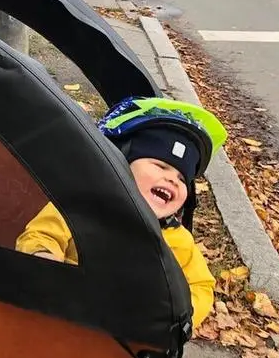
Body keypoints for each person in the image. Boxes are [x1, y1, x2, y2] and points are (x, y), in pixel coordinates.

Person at [16, 97, 225, 329]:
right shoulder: (81, 205)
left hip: (135, 341)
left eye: (181, 178)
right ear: (120, 165)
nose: (171, 180)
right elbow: (40, 235)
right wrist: (46, 264)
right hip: (64, 318)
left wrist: (178, 321)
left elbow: (201, 284)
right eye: (161, 166)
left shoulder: (178, 240)